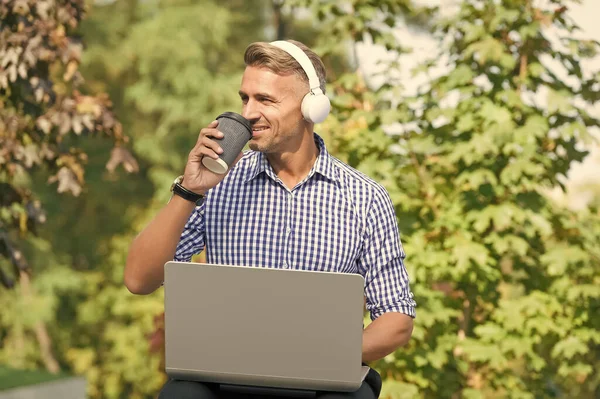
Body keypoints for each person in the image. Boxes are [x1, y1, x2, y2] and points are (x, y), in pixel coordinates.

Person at [124, 39, 416, 399]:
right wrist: (189, 189)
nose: (248, 113)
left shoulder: (366, 198)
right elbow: (139, 279)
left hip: (322, 380)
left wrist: (318, 357)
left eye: (265, 100)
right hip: (223, 378)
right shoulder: (216, 184)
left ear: (312, 107)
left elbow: (397, 318)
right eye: (245, 98)